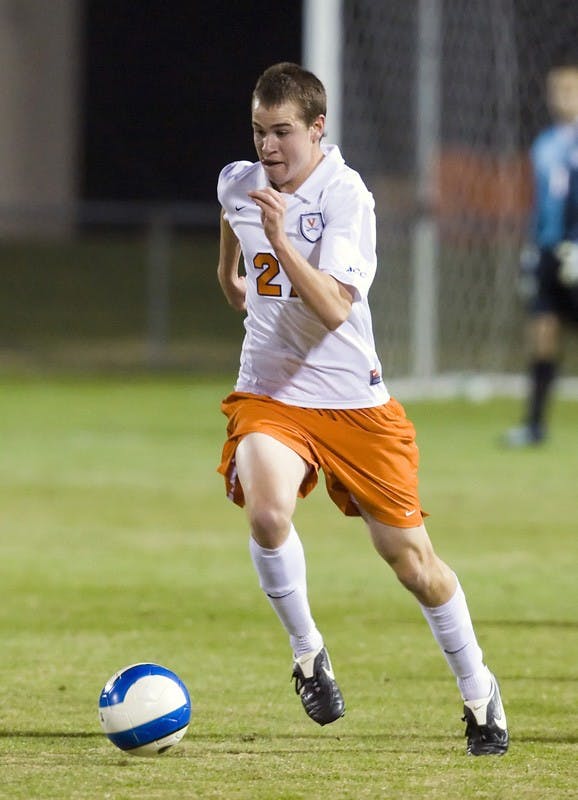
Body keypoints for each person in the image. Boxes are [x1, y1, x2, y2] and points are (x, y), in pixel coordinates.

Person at [216, 62, 508, 756]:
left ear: (317, 128)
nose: (268, 147)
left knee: (412, 563)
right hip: (271, 394)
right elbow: (231, 258)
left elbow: (334, 308)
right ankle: (308, 654)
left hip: (353, 403)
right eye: (258, 131)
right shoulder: (238, 183)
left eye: (282, 132)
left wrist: (282, 242)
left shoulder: (347, 197)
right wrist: (235, 281)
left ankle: (479, 690)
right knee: (267, 513)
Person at [504, 59, 578, 447]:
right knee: (543, 334)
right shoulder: (545, 145)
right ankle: (534, 426)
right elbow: (542, 205)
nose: (562, 98)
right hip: (549, 253)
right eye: (556, 90)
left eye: (570, 90)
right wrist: (533, 250)